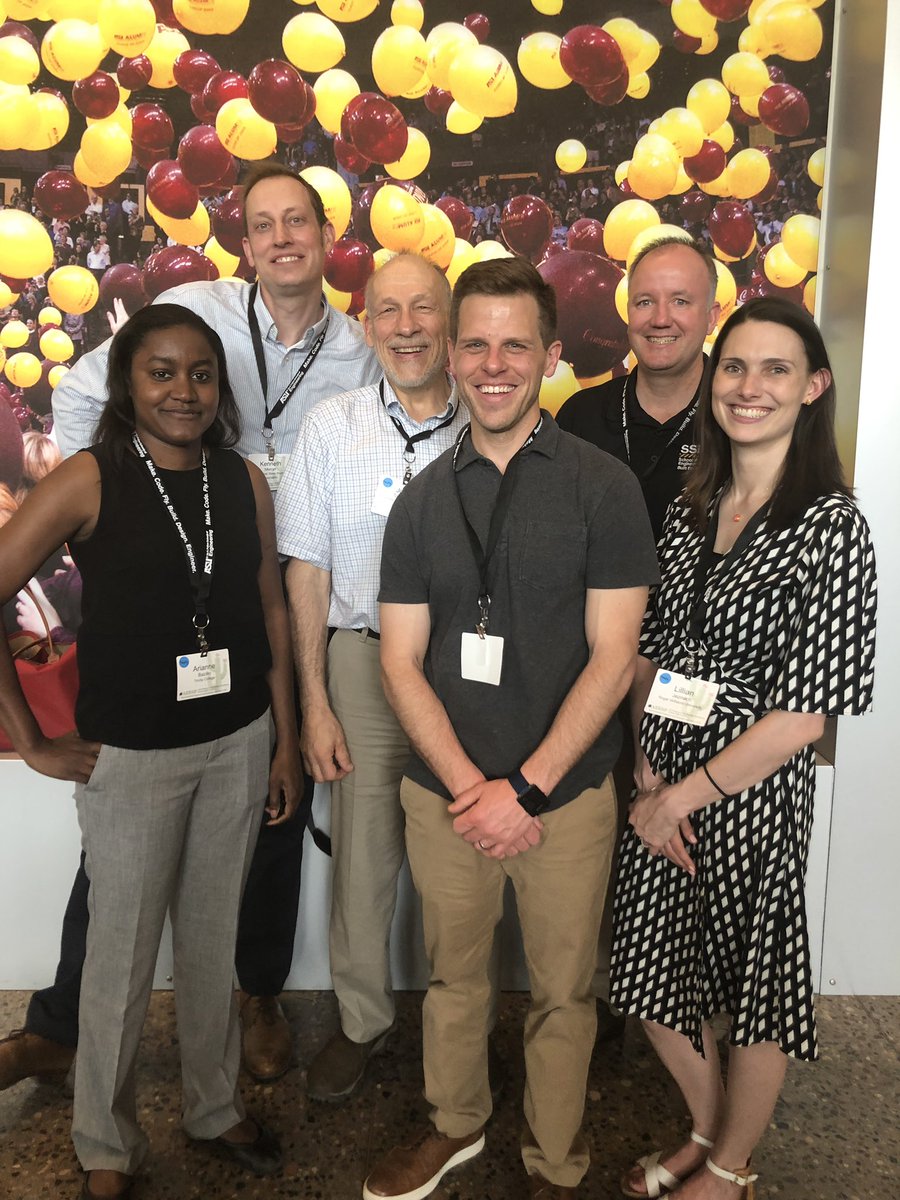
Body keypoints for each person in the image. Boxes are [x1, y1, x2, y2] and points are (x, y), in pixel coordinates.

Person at [0, 163, 379, 1094]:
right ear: (243, 240)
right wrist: (128, 499)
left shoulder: (358, 350)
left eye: (300, 221)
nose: (283, 238)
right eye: (263, 224)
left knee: (276, 810)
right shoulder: (192, 310)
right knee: (125, 835)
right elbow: (91, 393)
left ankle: (255, 995)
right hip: (181, 578)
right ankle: (61, 1022)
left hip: (294, 583)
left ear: (327, 237)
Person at [367, 258, 659, 1200]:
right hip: (445, 795)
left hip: (565, 800)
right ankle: (454, 1128)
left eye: (516, 345)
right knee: (453, 983)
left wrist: (525, 789)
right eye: (477, 343)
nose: (495, 364)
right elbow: (399, 663)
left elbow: (615, 657)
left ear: (551, 355)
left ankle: (555, 1164)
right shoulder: (419, 500)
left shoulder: (603, 488)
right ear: (452, 354)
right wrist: (470, 788)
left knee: (565, 995)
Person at [0, 304, 302, 1198]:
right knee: (121, 959)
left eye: (200, 373)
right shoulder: (91, 479)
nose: (184, 390)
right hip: (132, 760)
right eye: (161, 371)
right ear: (129, 384)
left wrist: (281, 743)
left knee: (212, 944)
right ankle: (104, 1144)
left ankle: (212, 1111)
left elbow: (270, 612)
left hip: (239, 742)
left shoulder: (241, 481)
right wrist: (33, 739)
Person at [610, 297, 877, 1200]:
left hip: (752, 795)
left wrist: (678, 799)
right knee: (650, 967)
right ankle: (707, 1124)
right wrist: (649, 760)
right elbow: (651, 647)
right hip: (661, 777)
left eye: (774, 369)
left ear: (814, 387)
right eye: (735, 367)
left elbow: (809, 714)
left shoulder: (833, 528)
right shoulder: (692, 510)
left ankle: (728, 1168)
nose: (749, 386)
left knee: (755, 987)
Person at [275, 252, 468, 1102]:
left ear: (450, 320)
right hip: (358, 658)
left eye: (422, 308)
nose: (405, 327)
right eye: (386, 311)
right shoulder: (331, 425)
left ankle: (456, 1034)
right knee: (361, 857)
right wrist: (314, 704)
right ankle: (360, 1022)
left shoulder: (492, 419)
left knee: (462, 851)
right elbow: (306, 572)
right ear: (366, 323)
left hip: (469, 663)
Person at [556, 237, 721, 541]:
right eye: (645, 302)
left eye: (680, 301)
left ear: (712, 318)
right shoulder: (580, 417)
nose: (660, 319)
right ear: (628, 312)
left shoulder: (739, 419)